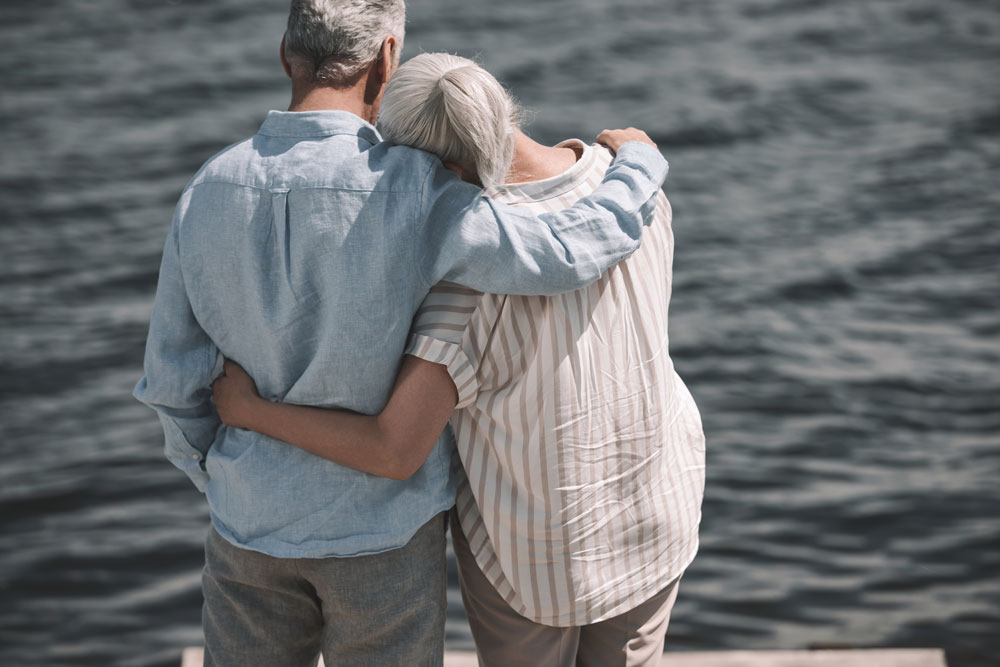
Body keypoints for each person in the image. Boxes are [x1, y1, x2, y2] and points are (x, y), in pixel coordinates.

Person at [132, 0, 668, 664]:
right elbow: (568, 251)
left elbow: (171, 383)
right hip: (381, 536)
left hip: (247, 526)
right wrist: (639, 165)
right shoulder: (417, 190)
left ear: (284, 54)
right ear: (387, 59)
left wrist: (228, 478)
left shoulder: (205, 191)